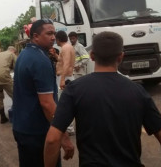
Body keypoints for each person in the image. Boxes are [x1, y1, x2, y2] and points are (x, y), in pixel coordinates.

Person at [44, 32, 161, 167]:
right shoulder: (139, 92)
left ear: (92, 56)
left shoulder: (74, 90)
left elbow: (52, 140)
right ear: (121, 57)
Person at [12, 19, 74, 167]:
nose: (53, 37)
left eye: (54, 33)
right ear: (35, 36)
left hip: (22, 127)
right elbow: (47, 103)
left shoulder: (24, 55)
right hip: (37, 131)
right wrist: (63, 137)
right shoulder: (40, 61)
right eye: (49, 33)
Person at [0, 46, 17, 124]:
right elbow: (17, 68)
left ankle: (3, 117)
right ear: (13, 51)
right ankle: (18, 116)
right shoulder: (12, 54)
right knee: (15, 96)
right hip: (4, 76)